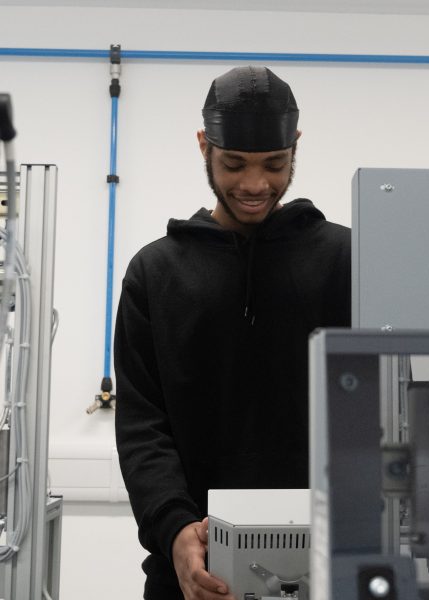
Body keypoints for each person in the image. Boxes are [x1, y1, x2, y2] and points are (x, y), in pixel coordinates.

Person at [114, 65, 351, 600]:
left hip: (329, 570)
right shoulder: (155, 273)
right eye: (234, 164)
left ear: (295, 146)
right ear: (204, 145)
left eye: (274, 164)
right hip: (192, 576)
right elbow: (142, 428)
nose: (254, 185)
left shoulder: (347, 261)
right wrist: (174, 531)